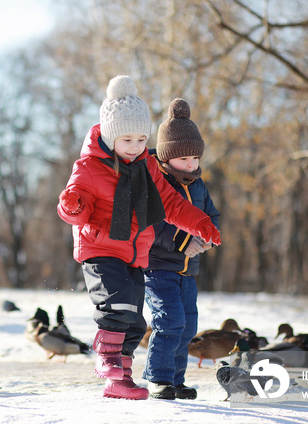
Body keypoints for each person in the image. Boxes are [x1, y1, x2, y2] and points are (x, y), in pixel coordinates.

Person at [57, 76, 221, 400]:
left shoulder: (147, 166)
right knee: (116, 303)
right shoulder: (90, 166)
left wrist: (199, 222)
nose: (135, 146)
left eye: (141, 139)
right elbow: (75, 205)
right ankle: (106, 359)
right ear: (110, 135)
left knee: (134, 318)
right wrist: (72, 206)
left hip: (135, 253)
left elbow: (172, 204)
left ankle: (121, 380)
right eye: (127, 139)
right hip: (101, 247)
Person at [142, 98, 220, 400]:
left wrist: (210, 235)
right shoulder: (158, 184)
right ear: (166, 157)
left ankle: (175, 378)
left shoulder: (198, 185)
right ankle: (157, 378)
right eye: (183, 159)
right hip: (159, 266)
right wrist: (183, 241)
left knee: (187, 326)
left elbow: (210, 215)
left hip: (188, 271)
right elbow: (153, 225)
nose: (191, 165)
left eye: (195, 159)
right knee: (169, 321)